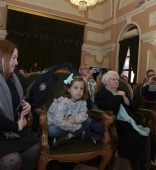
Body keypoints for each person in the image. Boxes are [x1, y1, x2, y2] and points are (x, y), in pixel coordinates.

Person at [95, 71, 156, 170]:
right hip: (117, 123)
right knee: (135, 136)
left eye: (117, 80)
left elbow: (135, 107)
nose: (116, 82)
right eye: (113, 79)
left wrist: (125, 99)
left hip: (130, 119)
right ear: (105, 82)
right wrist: (119, 97)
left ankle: (145, 164)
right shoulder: (101, 94)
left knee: (148, 133)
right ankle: (136, 166)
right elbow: (108, 106)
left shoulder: (121, 91)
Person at [0, 40, 40, 170]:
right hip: (5, 129)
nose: (17, 63)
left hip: (12, 128)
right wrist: (17, 126)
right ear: (2, 57)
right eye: (14, 58)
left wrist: (26, 105)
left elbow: (17, 102)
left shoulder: (14, 78)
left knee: (35, 146)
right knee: (12, 160)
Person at [47, 74, 92, 148]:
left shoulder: (83, 101)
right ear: (68, 89)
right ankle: (77, 133)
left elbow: (84, 115)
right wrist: (76, 127)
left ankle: (67, 137)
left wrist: (73, 120)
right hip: (56, 124)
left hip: (71, 122)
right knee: (52, 131)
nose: (79, 91)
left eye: (82, 88)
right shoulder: (63, 102)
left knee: (89, 120)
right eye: (75, 88)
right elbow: (58, 122)